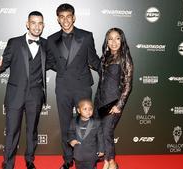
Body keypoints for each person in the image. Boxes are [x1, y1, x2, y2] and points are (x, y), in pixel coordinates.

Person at [46, 3, 100, 169]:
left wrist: (111, 69)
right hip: (63, 87)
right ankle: (68, 159)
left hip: (82, 86)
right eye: (62, 17)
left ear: (74, 17)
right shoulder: (51, 39)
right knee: (65, 124)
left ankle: (87, 157)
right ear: (58, 19)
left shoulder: (86, 36)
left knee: (85, 124)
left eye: (68, 16)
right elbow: (49, 62)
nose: (66, 20)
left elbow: (93, 60)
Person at [0, 11, 47, 169]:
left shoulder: (46, 44)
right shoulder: (14, 42)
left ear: (43, 25)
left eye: (40, 23)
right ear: (27, 24)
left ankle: (29, 160)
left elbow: (53, 63)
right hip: (15, 94)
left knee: (32, 131)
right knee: (11, 132)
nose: (36, 26)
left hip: (35, 95)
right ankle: (8, 164)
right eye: (33, 22)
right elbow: (5, 61)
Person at [94, 28, 134, 169]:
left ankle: (111, 163)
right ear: (107, 41)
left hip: (113, 102)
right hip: (100, 101)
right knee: (101, 132)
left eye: (117, 38)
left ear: (121, 39)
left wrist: (120, 104)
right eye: (110, 38)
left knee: (107, 132)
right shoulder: (105, 57)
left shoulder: (125, 58)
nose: (114, 42)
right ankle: (108, 161)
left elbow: (128, 85)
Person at [67, 99, 104, 169]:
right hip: (78, 154)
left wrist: (101, 149)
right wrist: (71, 140)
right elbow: (70, 132)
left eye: (90, 109)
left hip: (91, 154)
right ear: (78, 110)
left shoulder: (97, 122)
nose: (88, 111)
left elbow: (100, 137)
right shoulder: (74, 121)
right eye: (85, 109)